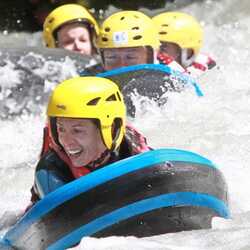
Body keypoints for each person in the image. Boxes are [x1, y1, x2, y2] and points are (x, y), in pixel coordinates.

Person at [29, 76, 150, 204]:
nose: (67, 142)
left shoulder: (132, 146)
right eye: (61, 129)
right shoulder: (50, 170)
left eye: (77, 131)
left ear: (110, 128)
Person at [83, 10, 160, 74]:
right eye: (111, 58)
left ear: (151, 57)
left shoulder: (169, 81)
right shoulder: (88, 78)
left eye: (130, 57)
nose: (121, 67)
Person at [152, 12, 216, 77]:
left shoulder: (202, 68)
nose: (156, 54)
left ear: (188, 53)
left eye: (163, 47)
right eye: (152, 47)